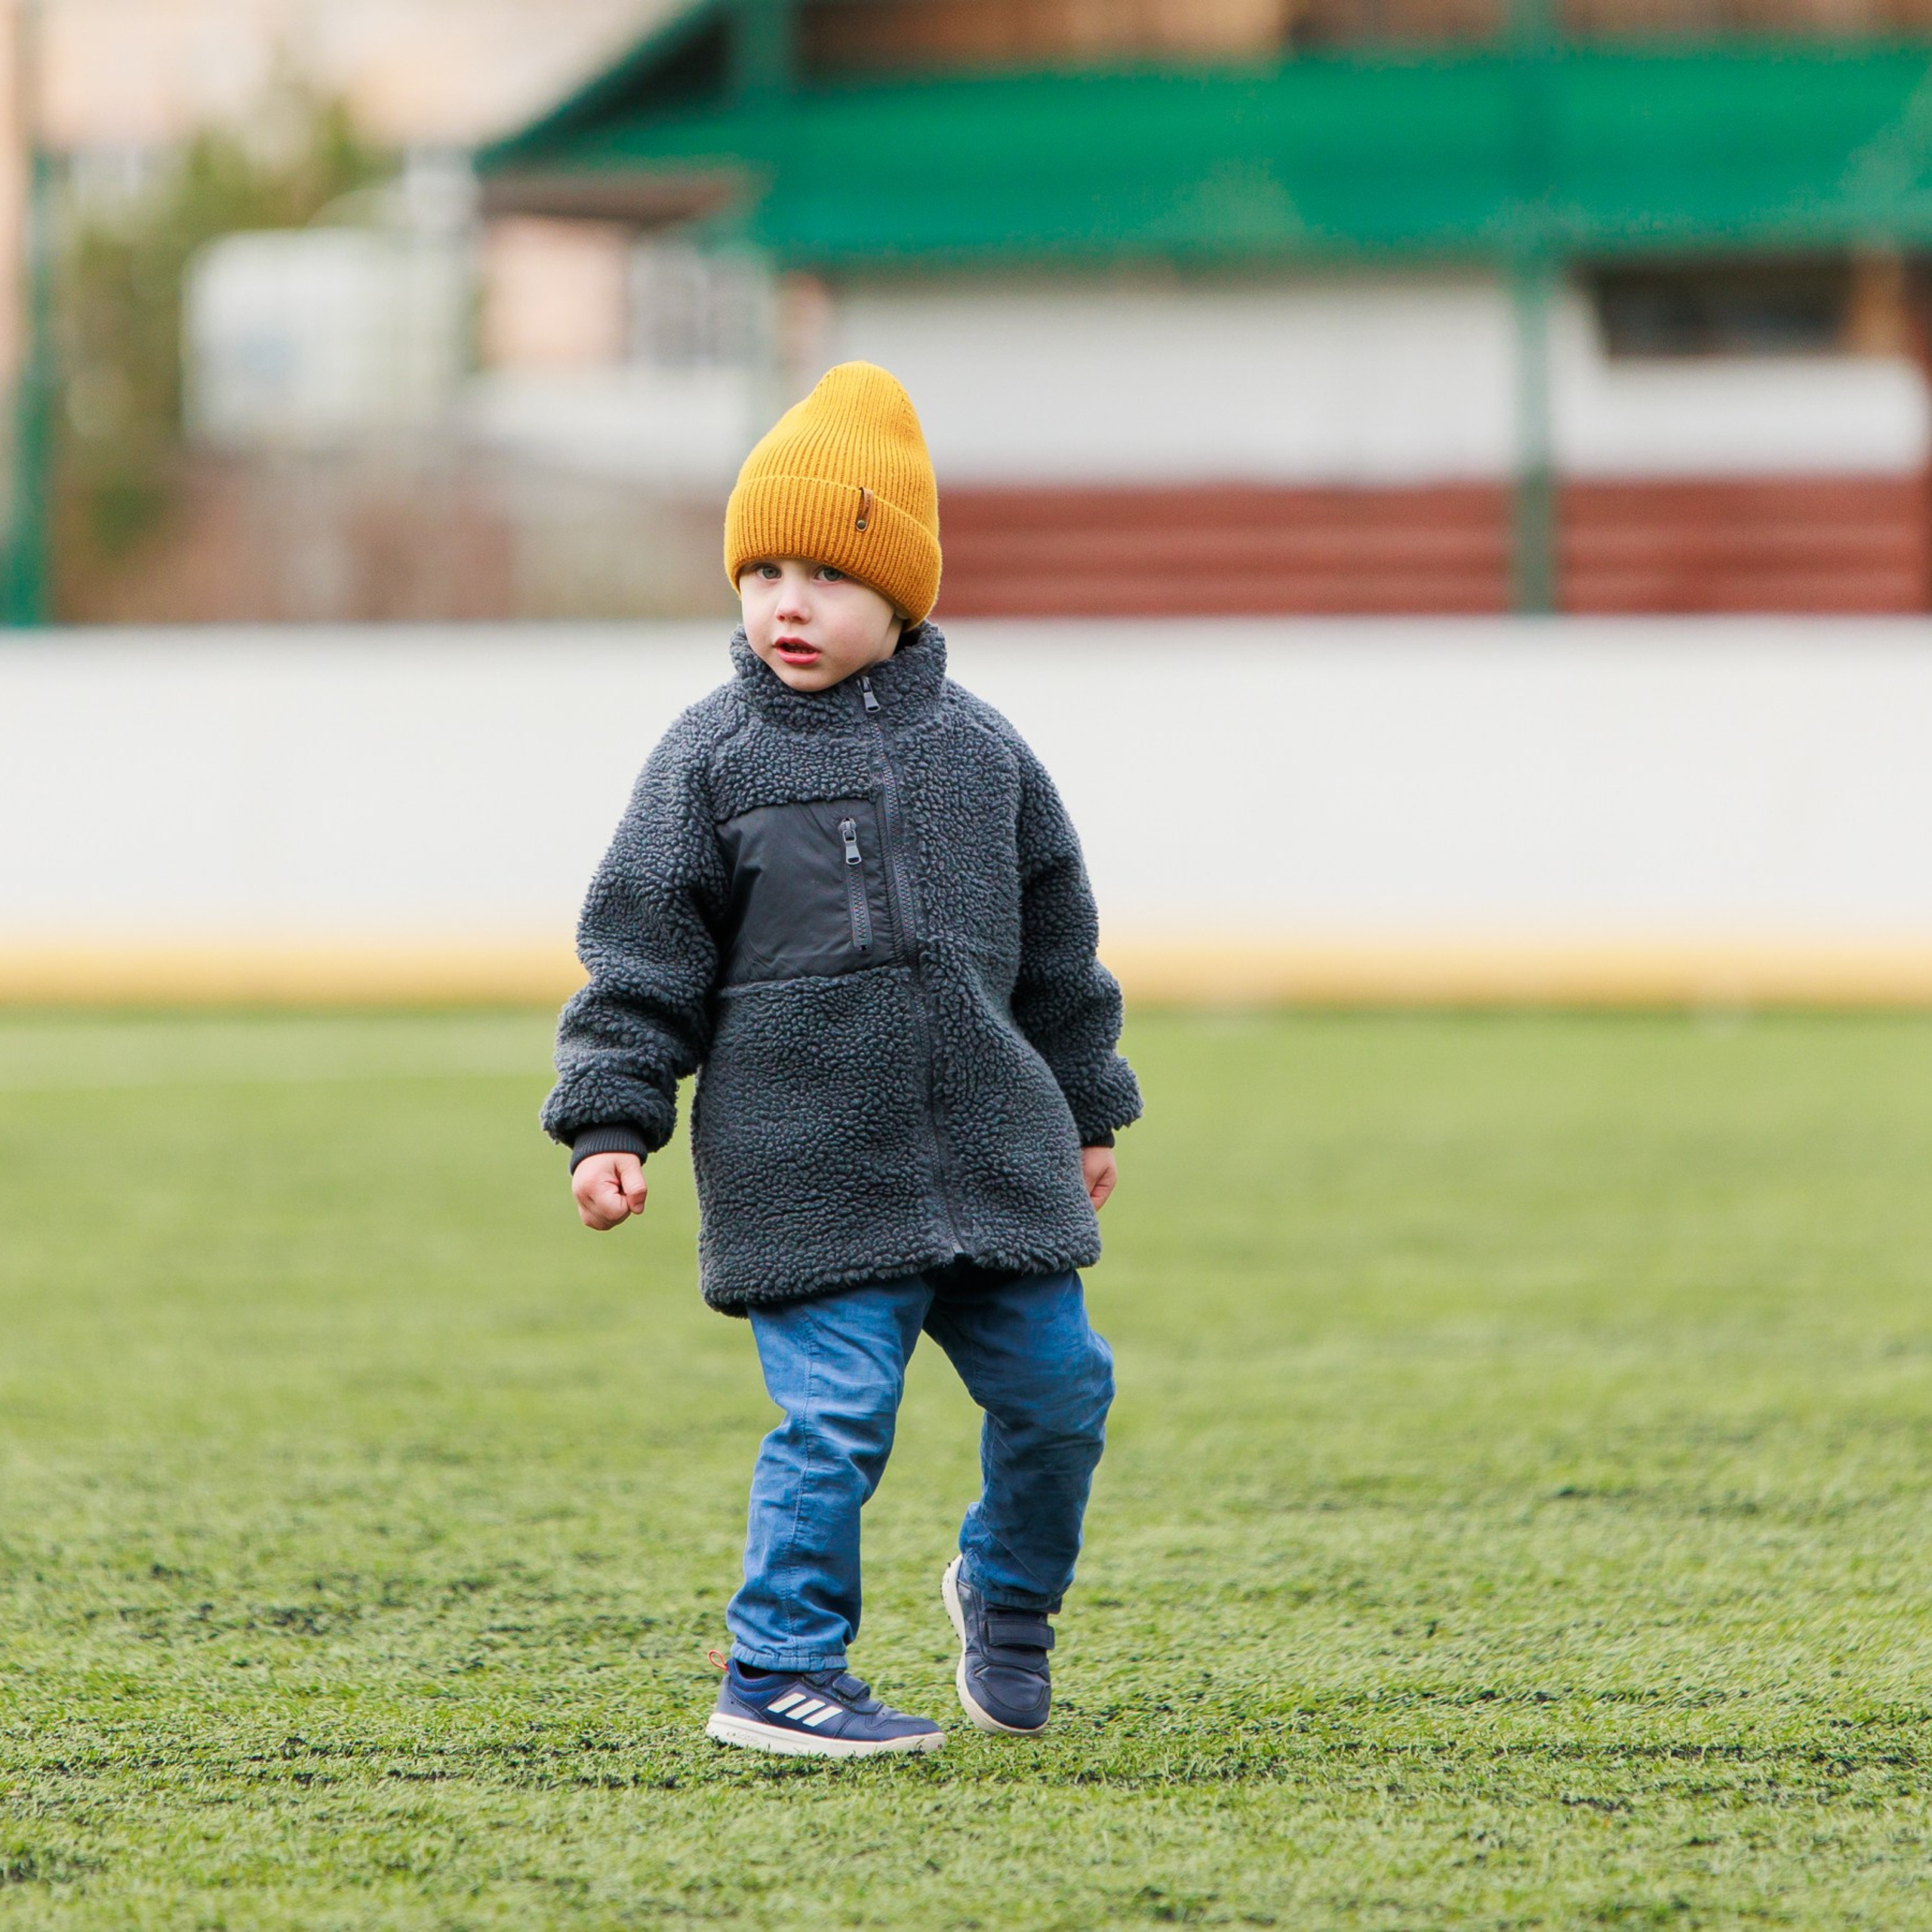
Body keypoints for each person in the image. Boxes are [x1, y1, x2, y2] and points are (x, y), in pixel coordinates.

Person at [542, 361, 1141, 1758]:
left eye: (825, 572)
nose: (785, 604)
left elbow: (1060, 948)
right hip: (808, 1173)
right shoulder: (710, 759)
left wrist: (1089, 1105)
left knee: (1065, 1397)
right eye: (762, 572)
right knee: (836, 1421)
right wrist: (611, 1121)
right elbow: (640, 952)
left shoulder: (985, 756)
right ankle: (777, 1670)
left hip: (994, 1161)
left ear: (902, 593)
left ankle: (1006, 1598)